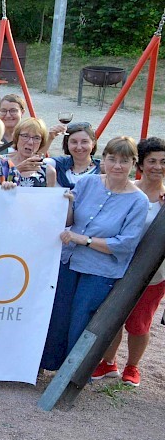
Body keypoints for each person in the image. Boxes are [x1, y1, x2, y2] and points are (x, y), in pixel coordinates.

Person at [41, 136, 149, 372]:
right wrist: (67, 204)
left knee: (83, 321)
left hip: (100, 270)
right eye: (112, 159)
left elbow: (124, 244)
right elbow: (70, 220)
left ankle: (74, 375)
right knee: (58, 314)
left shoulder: (138, 201)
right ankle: (48, 366)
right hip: (69, 261)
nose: (117, 166)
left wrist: (85, 240)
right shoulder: (87, 183)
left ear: (134, 164)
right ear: (104, 161)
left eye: (124, 160)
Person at [92, 137, 165, 386]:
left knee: (139, 323)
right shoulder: (128, 189)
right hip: (118, 264)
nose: (157, 166)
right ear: (141, 164)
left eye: (163, 162)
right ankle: (108, 362)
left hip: (153, 273)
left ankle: (132, 366)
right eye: (152, 161)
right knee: (113, 316)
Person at [47, 122, 100, 189]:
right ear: (67, 144)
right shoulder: (58, 165)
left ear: (93, 144)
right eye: (74, 142)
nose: (79, 147)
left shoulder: (102, 169)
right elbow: (36, 162)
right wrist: (50, 138)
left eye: (84, 142)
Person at [8, 118, 50, 188]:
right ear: (16, 137)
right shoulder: (1, 163)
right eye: (25, 136)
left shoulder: (47, 171)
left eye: (36, 138)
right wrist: (17, 169)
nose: (30, 142)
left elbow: (51, 197)